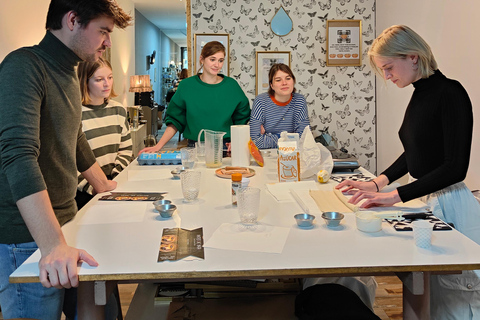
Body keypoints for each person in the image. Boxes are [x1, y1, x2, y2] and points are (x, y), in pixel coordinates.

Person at [336, 25, 480, 319]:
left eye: (388, 68)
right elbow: (416, 151)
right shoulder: (420, 94)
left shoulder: (450, 93)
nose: (387, 77)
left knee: (456, 306)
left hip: (452, 205)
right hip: (429, 200)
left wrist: (394, 196)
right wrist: (376, 184)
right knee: (429, 296)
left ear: (413, 57)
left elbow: (455, 168)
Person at [0, 1, 132, 319]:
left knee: (102, 308)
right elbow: (18, 154)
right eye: (103, 31)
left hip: (66, 225)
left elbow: (74, 138)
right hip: (27, 238)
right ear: (72, 20)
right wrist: (51, 244)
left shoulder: (69, 73)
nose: (108, 42)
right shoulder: (24, 66)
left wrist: (104, 186)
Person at [139, 41, 250, 154]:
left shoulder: (231, 86)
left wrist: (237, 141)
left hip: (226, 148)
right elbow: (175, 121)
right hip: (195, 148)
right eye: (212, 59)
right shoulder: (186, 86)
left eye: (220, 60)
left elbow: (243, 120)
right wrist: (158, 146)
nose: (217, 65)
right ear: (202, 59)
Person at [75, 57, 133, 210]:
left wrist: (114, 177)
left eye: (110, 77)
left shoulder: (118, 110)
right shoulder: (75, 114)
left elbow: (126, 150)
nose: (107, 83)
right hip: (85, 193)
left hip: (114, 184)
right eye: (99, 79)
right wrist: (93, 186)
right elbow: (69, 161)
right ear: (84, 81)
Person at [250, 63, 310, 149]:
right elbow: (255, 141)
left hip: (292, 154)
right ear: (272, 85)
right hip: (267, 155)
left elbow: (304, 139)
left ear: (293, 81)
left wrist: (269, 136)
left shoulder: (299, 100)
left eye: (288, 78)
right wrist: (290, 138)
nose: (284, 83)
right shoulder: (260, 101)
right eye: (278, 80)